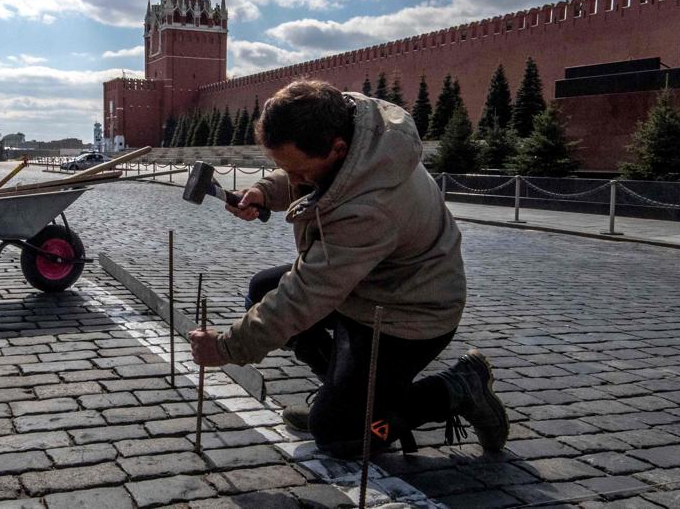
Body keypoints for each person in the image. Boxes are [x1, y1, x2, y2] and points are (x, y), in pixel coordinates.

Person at [189, 80, 508, 458]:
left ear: (338, 150)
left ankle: (454, 389)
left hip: (408, 313)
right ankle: (347, 399)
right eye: (284, 169)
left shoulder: (371, 207)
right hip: (363, 286)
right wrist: (263, 191)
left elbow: (305, 296)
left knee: (339, 433)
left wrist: (226, 347)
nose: (294, 181)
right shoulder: (348, 123)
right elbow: (310, 176)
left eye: (299, 172)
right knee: (262, 289)